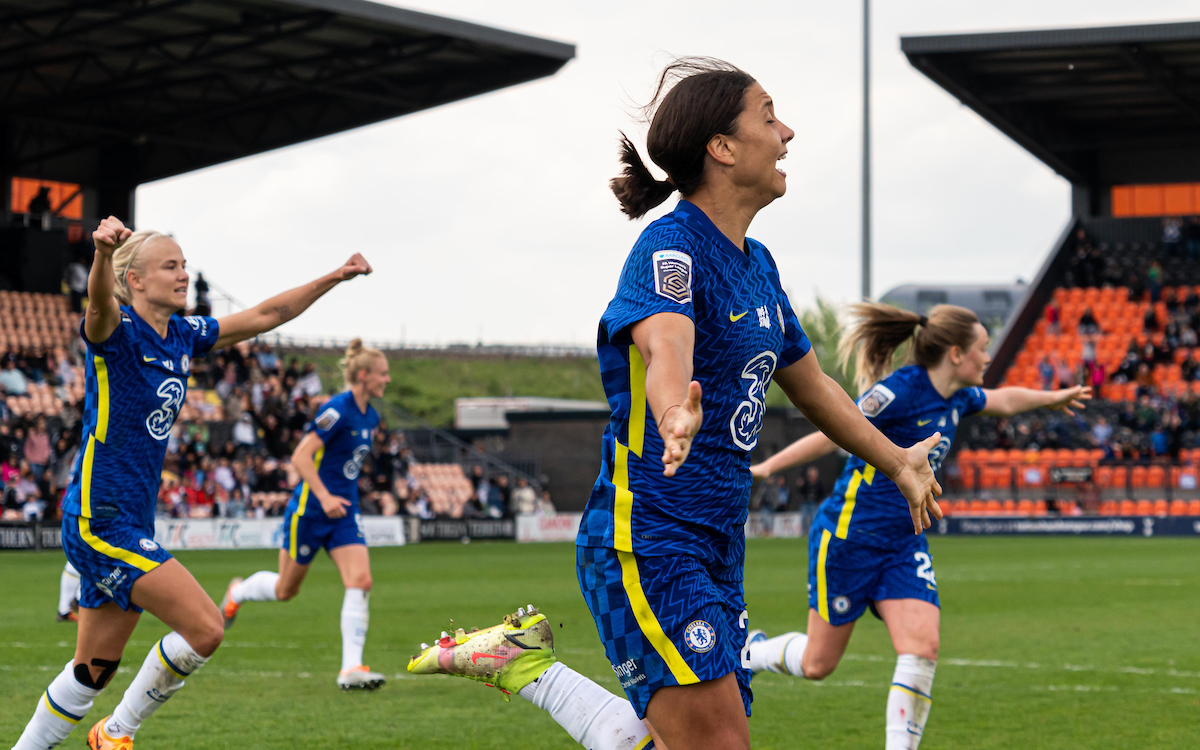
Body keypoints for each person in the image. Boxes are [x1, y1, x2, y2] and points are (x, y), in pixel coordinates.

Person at [405, 58, 942, 750]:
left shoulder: (759, 263)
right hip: (649, 539)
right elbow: (667, 349)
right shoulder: (671, 249)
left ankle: (522, 665)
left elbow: (817, 390)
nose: (789, 132)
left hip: (718, 542)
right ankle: (524, 668)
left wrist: (896, 460)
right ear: (721, 147)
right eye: (769, 115)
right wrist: (672, 413)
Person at [11, 216, 372, 750]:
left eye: (185, 265)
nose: (184, 275)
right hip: (99, 518)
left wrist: (334, 277)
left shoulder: (184, 334)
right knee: (205, 628)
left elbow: (268, 314)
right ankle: (115, 734)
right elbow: (98, 304)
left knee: (92, 672)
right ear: (135, 279)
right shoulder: (117, 330)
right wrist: (100, 256)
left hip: (129, 518)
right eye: (171, 266)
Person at [744, 302, 1090, 750]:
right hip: (849, 539)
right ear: (956, 354)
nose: (988, 358)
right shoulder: (900, 392)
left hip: (904, 544)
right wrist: (769, 467)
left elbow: (1004, 401)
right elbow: (832, 428)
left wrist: (1053, 398)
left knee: (922, 647)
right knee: (817, 663)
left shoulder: (960, 397)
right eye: (982, 349)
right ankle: (750, 652)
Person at [219, 339, 391, 691]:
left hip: (344, 512)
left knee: (361, 581)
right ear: (363, 375)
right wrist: (325, 495)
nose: (387, 380)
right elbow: (299, 457)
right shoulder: (337, 409)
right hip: (310, 510)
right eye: (383, 373)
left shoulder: (370, 415)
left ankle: (350, 668)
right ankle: (237, 593)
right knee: (285, 590)